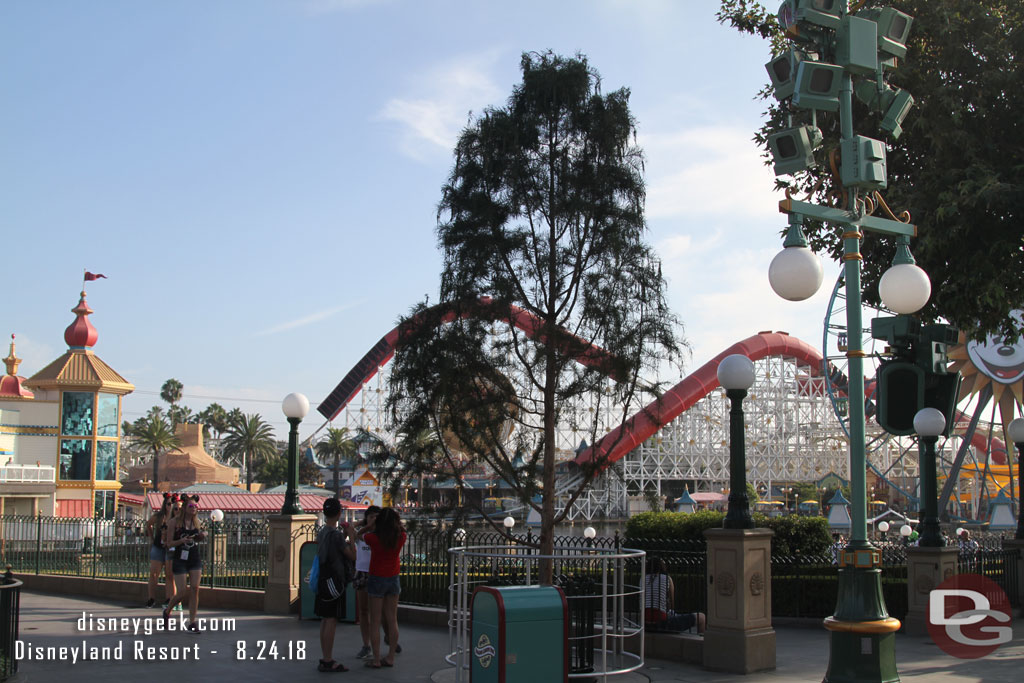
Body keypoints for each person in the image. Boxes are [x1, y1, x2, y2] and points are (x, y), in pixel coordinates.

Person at [359, 507, 406, 669]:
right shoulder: (401, 537)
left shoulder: (373, 538)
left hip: (376, 578)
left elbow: (359, 535)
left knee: (375, 620)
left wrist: (368, 524)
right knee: (392, 619)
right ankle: (391, 656)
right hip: (393, 579)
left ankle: (376, 658)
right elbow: (402, 529)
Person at [315, 497, 356, 673]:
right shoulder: (336, 535)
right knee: (331, 619)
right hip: (334, 580)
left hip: (323, 579)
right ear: (339, 513)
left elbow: (334, 546)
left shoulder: (323, 532)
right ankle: (328, 659)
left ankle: (325, 657)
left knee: (325, 619)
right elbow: (352, 556)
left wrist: (344, 536)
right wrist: (352, 538)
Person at [162, 494, 206, 630]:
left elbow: (197, 539)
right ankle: (168, 610)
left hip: (194, 557)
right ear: (185, 508)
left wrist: (201, 536)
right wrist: (181, 541)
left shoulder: (196, 522)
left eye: (196, 506)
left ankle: (192, 622)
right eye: (191, 506)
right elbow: (168, 544)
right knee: (182, 591)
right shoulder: (174, 523)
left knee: (195, 589)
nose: (194, 509)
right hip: (180, 558)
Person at [643, 558, 705, 634]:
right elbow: (672, 604)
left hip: (645, 624)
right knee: (702, 617)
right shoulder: (667, 579)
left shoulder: (642, 579)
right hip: (662, 623)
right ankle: (701, 643)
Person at [353, 505, 381, 660]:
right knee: (364, 610)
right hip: (362, 571)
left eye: (377, 516)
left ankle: (389, 637)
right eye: (371, 516)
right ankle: (366, 644)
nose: (374, 520)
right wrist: (363, 524)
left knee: (380, 611)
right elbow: (350, 531)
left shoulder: (382, 535)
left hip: (377, 573)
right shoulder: (362, 534)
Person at [143, 493, 174, 607]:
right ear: (164, 505)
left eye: (172, 504)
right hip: (158, 547)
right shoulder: (159, 516)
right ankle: (151, 598)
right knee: (154, 573)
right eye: (168, 504)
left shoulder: (176, 517)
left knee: (169, 575)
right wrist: (151, 538)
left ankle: (169, 598)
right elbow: (148, 524)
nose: (170, 506)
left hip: (170, 548)